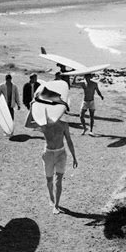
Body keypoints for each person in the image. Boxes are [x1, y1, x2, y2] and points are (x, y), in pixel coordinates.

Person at [31, 81, 78, 214]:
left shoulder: (64, 125)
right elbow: (27, 124)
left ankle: (56, 205)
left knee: (58, 181)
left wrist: (74, 157)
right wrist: (33, 108)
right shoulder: (44, 125)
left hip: (61, 153)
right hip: (48, 154)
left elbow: (69, 141)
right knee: (49, 180)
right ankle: (51, 198)